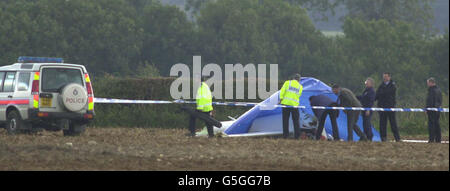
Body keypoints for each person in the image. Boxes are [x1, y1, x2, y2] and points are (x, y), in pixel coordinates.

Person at [375, 72, 401, 142]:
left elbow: (387, 93)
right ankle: (383, 138)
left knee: (393, 124)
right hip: (382, 108)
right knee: (382, 124)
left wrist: (381, 94)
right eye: (384, 77)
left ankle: (397, 138)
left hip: (390, 107)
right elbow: (377, 95)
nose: (384, 78)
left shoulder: (392, 85)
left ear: (389, 77)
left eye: (386, 77)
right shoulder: (381, 85)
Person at [279, 74, 303, 139]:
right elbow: (299, 95)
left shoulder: (287, 82)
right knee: (296, 121)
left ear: (293, 78)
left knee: (285, 120)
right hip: (294, 105)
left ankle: (285, 136)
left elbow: (282, 91)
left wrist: (280, 99)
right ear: (299, 80)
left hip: (285, 104)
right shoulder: (300, 87)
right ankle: (297, 136)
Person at [426, 77, 442, 143]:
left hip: (432, 110)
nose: (427, 84)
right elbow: (440, 100)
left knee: (431, 125)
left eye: (428, 83)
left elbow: (430, 100)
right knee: (437, 124)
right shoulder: (439, 90)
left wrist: (427, 108)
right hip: (437, 109)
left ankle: (431, 139)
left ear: (431, 83)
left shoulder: (431, 90)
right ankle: (438, 139)